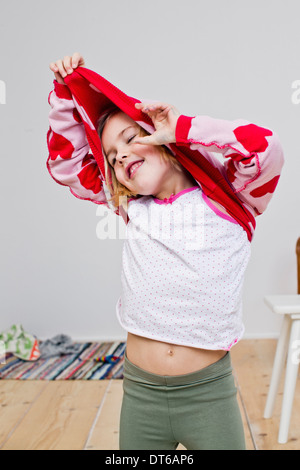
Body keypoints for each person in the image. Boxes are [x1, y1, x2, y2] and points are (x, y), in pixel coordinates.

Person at [48, 53, 284, 450]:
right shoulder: (129, 207)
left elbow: (266, 148)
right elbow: (66, 163)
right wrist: (64, 93)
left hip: (208, 395)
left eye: (129, 139)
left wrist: (184, 130)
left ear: (162, 138)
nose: (121, 156)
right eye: (111, 157)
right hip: (142, 396)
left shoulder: (230, 200)